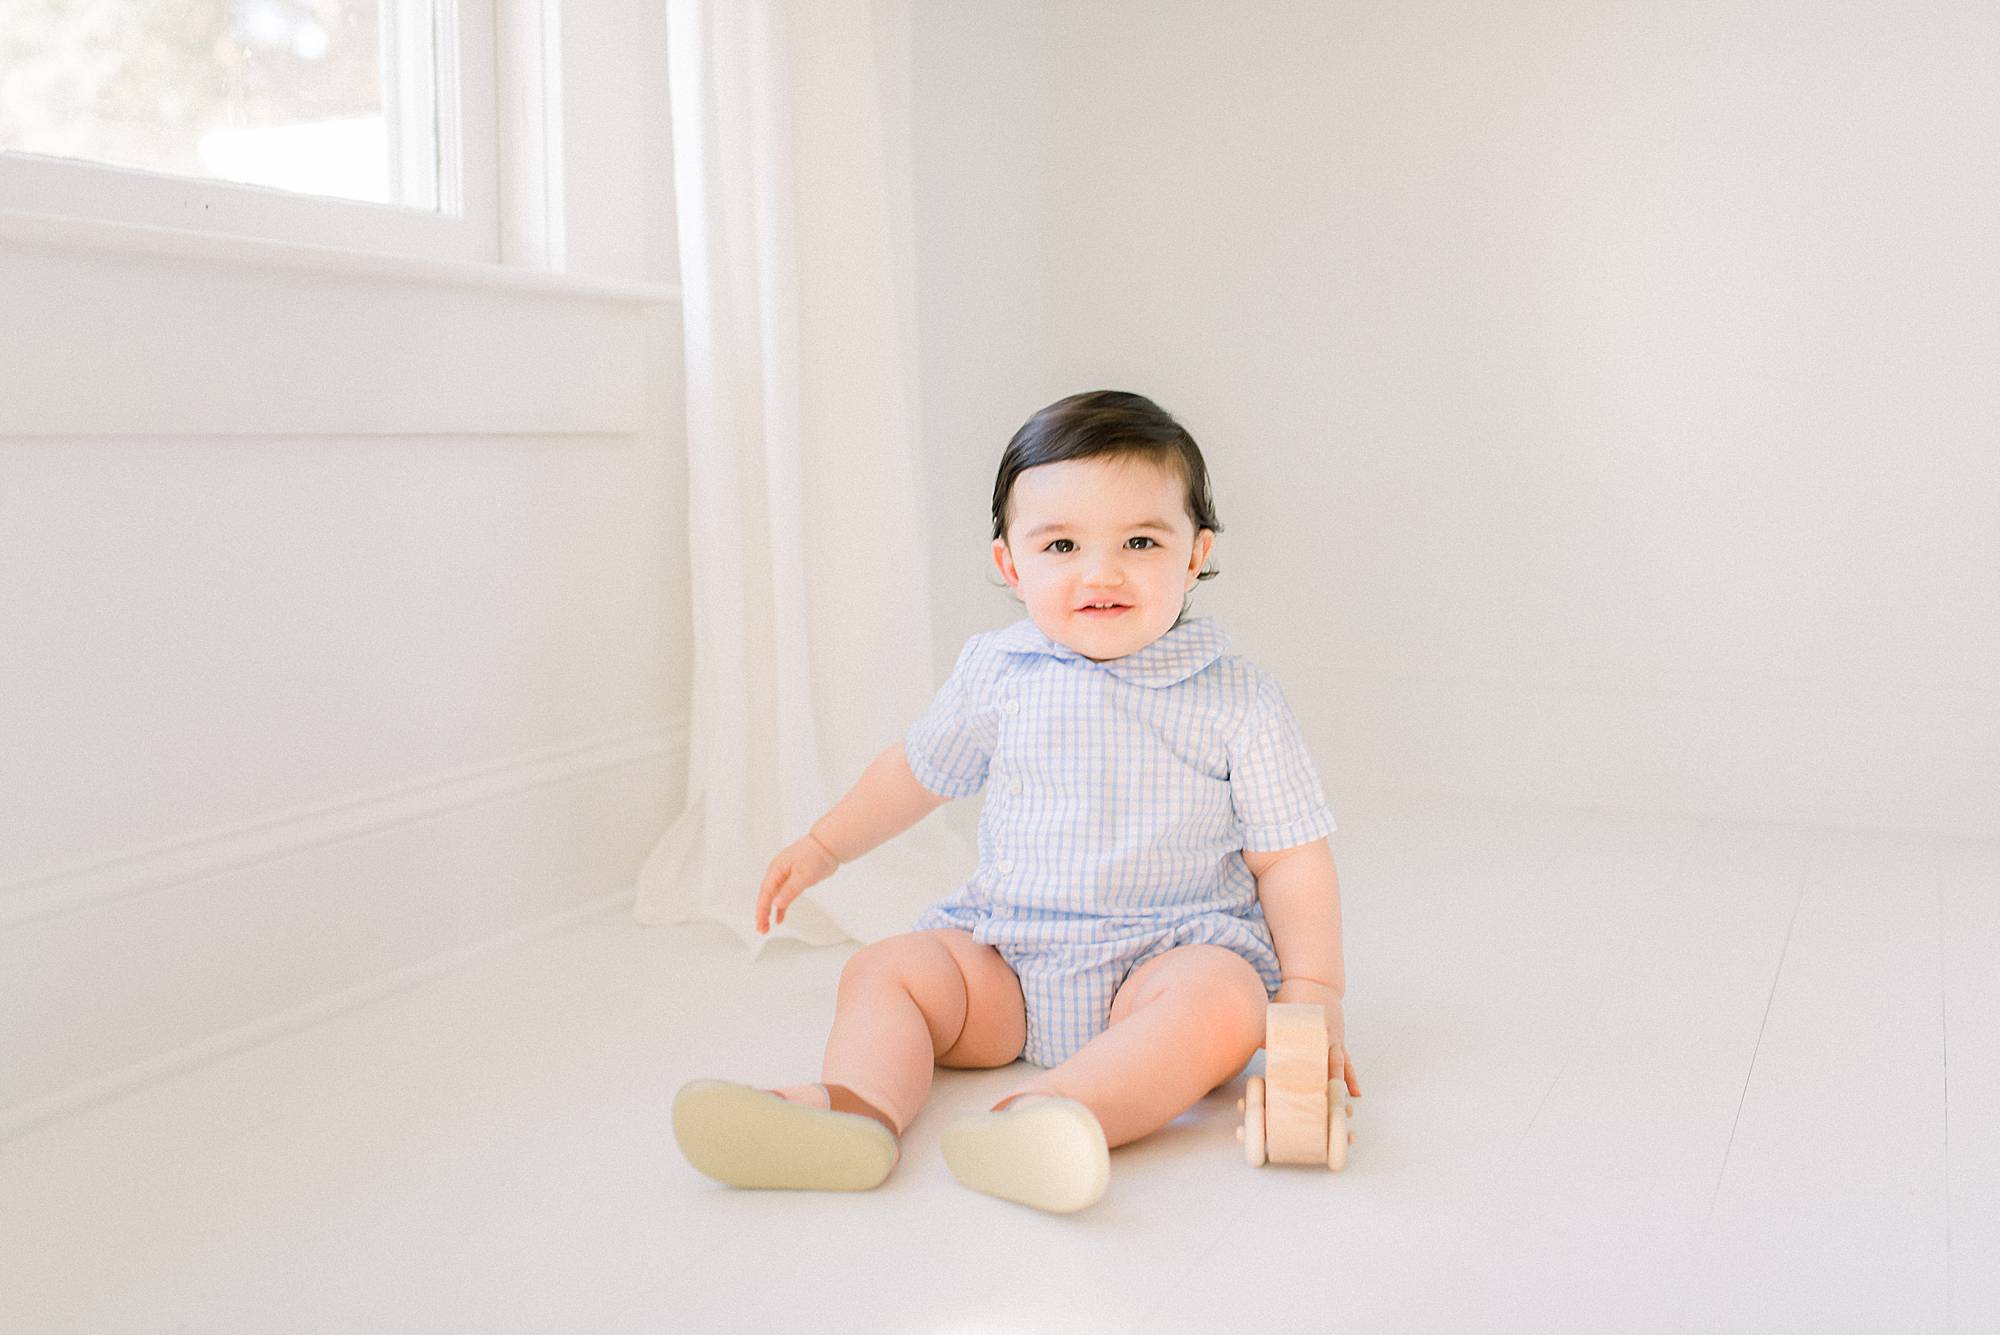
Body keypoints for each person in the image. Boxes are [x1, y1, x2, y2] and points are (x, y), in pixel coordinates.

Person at [672, 389, 1359, 1213]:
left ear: (1194, 554)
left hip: (1160, 964)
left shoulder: (1236, 698)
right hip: (1007, 962)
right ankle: (853, 1111)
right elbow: (915, 772)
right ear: (1010, 564)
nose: (1099, 571)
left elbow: (1288, 855)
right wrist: (824, 845)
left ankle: (1048, 1116)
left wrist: (1313, 989)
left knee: (1226, 1002)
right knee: (885, 969)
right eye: (1061, 543)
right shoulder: (999, 674)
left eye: (1140, 540)